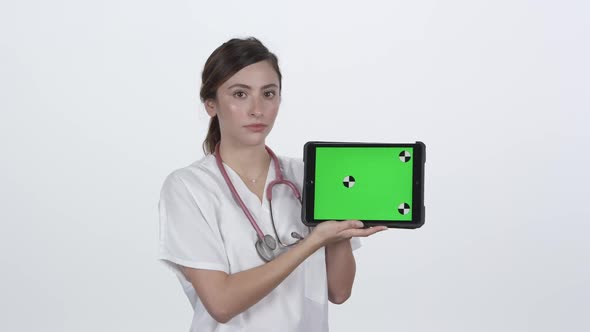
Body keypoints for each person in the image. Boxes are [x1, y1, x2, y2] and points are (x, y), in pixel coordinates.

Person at [157, 36, 387, 332]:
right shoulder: (188, 188)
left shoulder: (308, 176)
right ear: (211, 104)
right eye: (240, 94)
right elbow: (221, 303)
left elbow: (339, 292)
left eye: (268, 93)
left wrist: (340, 232)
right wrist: (314, 241)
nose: (257, 109)